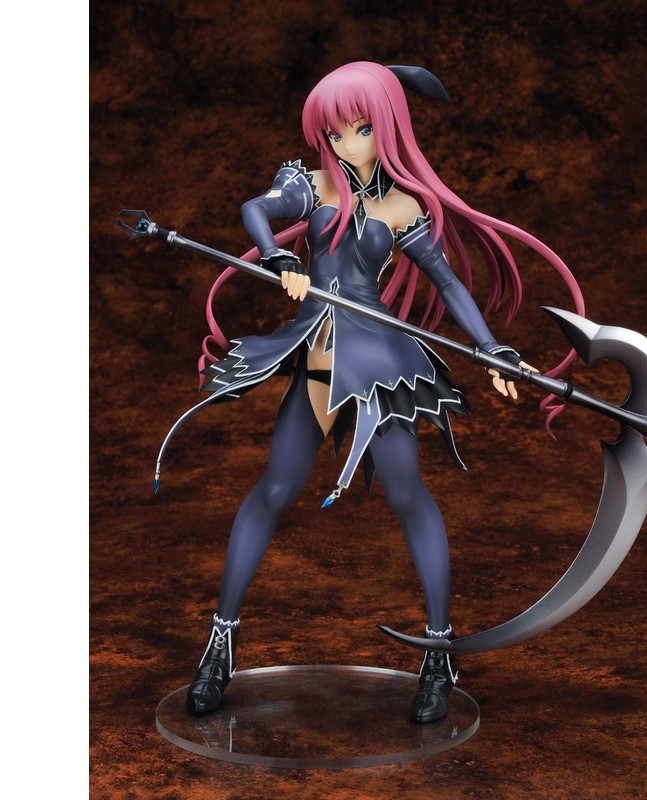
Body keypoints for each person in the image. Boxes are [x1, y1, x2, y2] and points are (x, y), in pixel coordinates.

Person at [159, 62, 584, 724]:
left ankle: (439, 653)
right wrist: (280, 258)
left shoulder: (403, 208)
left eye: (358, 129)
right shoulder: (312, 186)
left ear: (385, 127)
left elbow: (448, 284)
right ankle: (220, 643)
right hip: (316, 353)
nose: (344, 143)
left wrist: (492, 348)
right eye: (333, 133)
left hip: (379, 366)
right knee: (275, 488)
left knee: (407, 493)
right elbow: (255, 210)